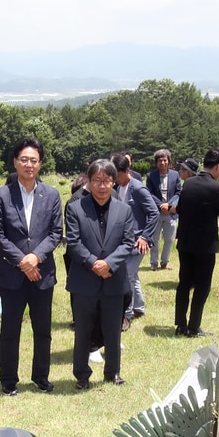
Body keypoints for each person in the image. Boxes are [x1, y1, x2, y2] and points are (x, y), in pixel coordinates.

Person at [0, 137, 63, 396]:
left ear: (40, 163)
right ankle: (8, 380)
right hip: (12, 274)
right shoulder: (1, 195)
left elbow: (55, 233)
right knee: (10, 330)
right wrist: (22, 260)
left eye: (34, 160)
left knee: (43, 330)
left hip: (42, 273)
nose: (29, 164)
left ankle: (41, 376)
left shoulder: (52, 194)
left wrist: (35, 258)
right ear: (15, 162)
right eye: (24, 159)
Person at [66, 158, 137, 388]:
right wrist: (94, 263)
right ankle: (82, 375)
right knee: (83, 330)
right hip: (85, 281)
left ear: (114, 182)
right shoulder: (76, 207)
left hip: (113, 280)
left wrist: (109, 264)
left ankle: (112, 372)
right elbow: (73, 243)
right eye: (97, 180)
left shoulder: (124, 210)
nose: (102, 185)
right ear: (89, 181)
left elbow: (128, 242)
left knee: (113, 330)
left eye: (107, 180)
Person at [173, 148, 219, 338]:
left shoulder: (188, 183)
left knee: (184, 284)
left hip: (186, 242)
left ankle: (180, 325)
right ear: (218, 166)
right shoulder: (216, 187)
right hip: (205, 246)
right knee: (202, 286)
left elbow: (180, 208)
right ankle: (193, 327)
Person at [113, 152, 160, 329]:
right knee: (133, 275)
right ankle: (139, 307)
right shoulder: (118, 188)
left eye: (117, 175)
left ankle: (126, 315)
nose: (114, 179)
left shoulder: (138, 188)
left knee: (127, 276)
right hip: (125, 241)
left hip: (138, 242)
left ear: (127, 170)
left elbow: (154, 212)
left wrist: (145, 237)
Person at [145, 149, 181, 272]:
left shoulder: (175, 175)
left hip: (171, 212)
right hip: (156, 212)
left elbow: (179, 192)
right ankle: (153, 262)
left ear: (169, 162)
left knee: (169, 239)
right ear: (156, 163)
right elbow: (148, 193)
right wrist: (161, 205)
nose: (162, 163)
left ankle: (165, 262)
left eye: (165, 160)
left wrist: (169, 205)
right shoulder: (151, 176)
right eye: (160, 160)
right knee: (154, 238)